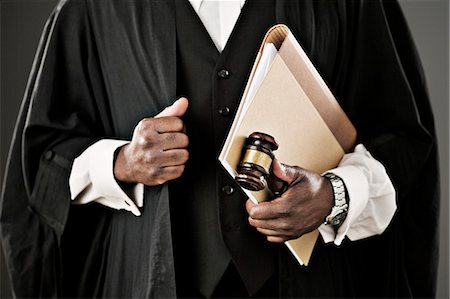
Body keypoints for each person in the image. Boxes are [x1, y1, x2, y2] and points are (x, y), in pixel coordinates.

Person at [0, 0, 439, 298]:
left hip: (312, 283)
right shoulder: (93, 8)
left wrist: (334, 195)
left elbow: (402, 140)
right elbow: (43, 160)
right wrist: (122, 163)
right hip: (146, 281)